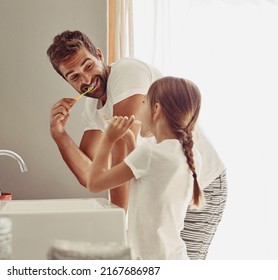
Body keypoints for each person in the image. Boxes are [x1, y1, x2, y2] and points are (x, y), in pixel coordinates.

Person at [47, 30, 227, 259]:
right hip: (163, 189)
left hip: (202, 183)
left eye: (88, 65)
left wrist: (118, 231)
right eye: (74, 76)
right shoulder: (92, 109)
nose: (86, 80)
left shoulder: (126, 72)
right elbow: (88, 174)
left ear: (99, 55)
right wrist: (59, 134)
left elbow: (119, 155)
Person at [87, 76, 203, 259]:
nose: (139, 110)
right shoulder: (191, 155)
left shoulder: (149, 153)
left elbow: (94, 183)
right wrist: (130, 141)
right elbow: (148, 182)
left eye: (143, 103)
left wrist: (107, 139)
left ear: (156, 109)